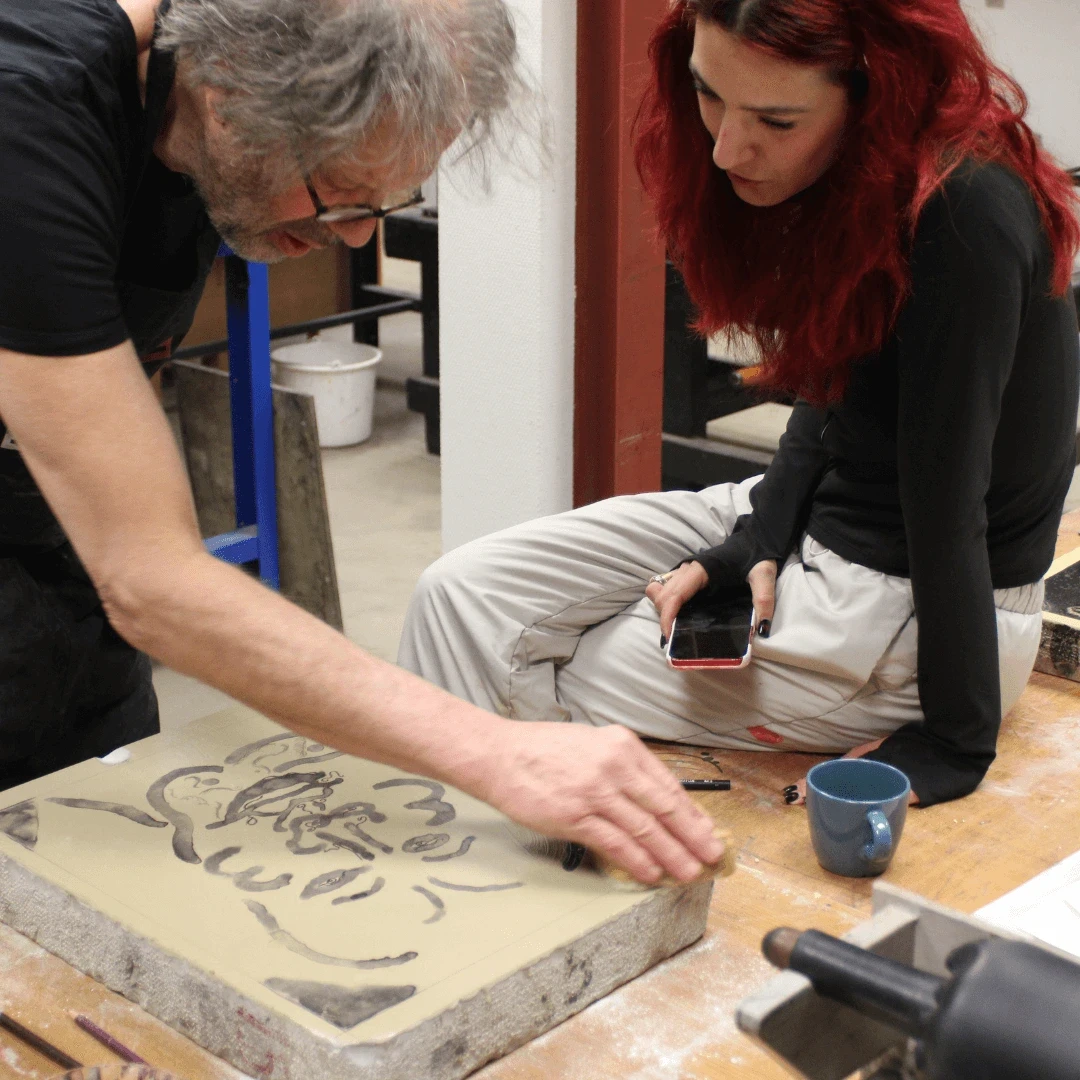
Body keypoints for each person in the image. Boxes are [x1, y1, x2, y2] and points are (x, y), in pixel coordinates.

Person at [0, 0, 724, 886]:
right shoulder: (25, 121)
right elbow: (151, 580)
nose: (357, 235)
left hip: (51, 540)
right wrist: (498, 752)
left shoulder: (200, 99)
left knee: (97, 857)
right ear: (227, 99)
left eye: (389, 202)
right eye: (341, 193)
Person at [399, 0, 1080, 809]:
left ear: (877, 89)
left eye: (775, 120)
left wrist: (956, 739)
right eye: (708, 93)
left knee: (515, 666)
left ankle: (492, 873)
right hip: (820, 521)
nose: (726, 147)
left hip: (912, 609)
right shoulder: (862, 171)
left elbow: (947, 503)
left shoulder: (963, 212)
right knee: (457, 599)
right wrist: (759, 533)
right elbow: (835, 385)